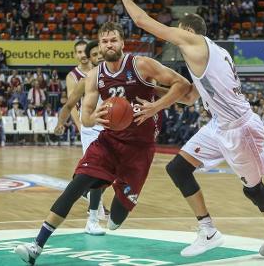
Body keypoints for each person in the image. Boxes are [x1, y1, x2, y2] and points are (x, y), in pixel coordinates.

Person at [120, 0, 264, 258]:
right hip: (219, 125)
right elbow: (188, 96)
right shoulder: (209, 54)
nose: (175, 37)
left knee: (253, 189)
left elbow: (143, 22)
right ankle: (208, 231)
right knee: (178, 168)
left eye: (178, 32)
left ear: (187, 31)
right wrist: (151, 95)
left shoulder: (196, 42)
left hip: (240, 128)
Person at [15, 21, 191, 264]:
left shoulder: (141, 64)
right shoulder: (95, 76)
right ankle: (36, 246)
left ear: (122, 43)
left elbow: (183, 85)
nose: (109, 45)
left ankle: (118, 198)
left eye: (113, 40)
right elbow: (86, 115)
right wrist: (91, 118)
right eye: (104, 41)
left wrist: (155, 107)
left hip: (139, 149)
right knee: (76, 186)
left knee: (116, 220)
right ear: (99, 45)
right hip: (109, 141)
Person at [55, 40, 107, 235]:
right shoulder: (80, 78)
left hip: (111, 129)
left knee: (112, 174)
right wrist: (62, 123)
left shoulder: (118, 75)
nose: (96, 56)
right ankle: (92, 218)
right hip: (91, 128)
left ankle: (85, 189)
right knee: (96, 173)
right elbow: (70, 105)